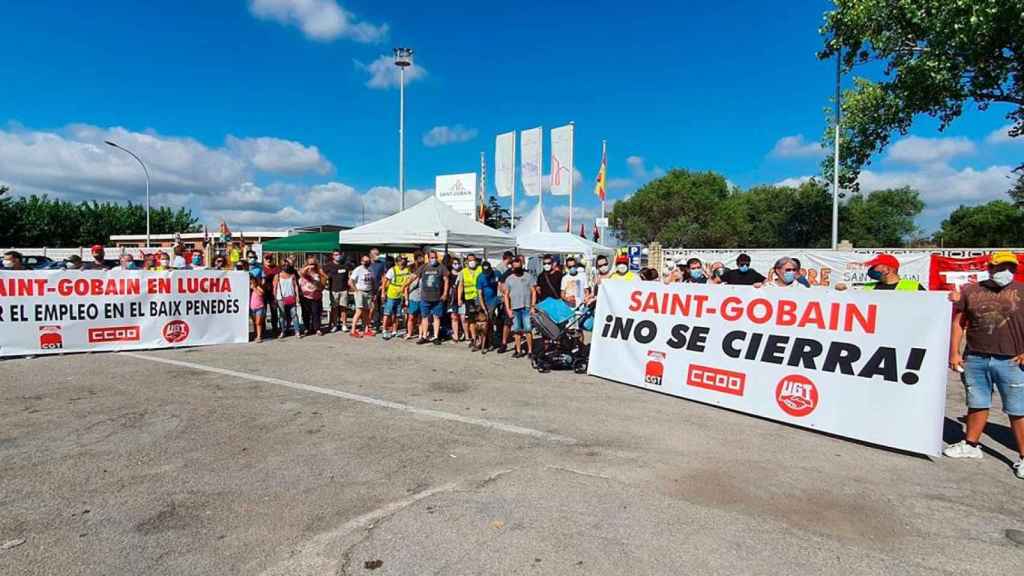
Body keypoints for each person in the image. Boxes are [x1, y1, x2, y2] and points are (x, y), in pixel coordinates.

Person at [945, 252, 1024, 479]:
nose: (1005, 272)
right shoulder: (970, 291)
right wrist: (954, 353)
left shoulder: (1022, 290)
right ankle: (971, 444)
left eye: (1011, 267)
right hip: (976, 358)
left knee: (1018, 410)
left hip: (1011, 360)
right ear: (989, 267)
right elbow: (959, 323)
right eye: (1000, 267)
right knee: (977, 403)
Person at [412, 250, 449, 345]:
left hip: (437, 297)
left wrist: (445, 293)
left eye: (435, 257)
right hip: (425, 297)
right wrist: (405, 285)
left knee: (436, 317)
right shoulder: (423, 267)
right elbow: (414, 276)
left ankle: (436, 337)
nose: (434, 259)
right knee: (425, 317)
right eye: (432, 257)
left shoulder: (441, 267)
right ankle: (424, 336)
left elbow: (446, 280)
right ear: (428, 258)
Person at [503, 256, 536, 358]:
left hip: (526, 307)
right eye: (515, 267)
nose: (517, 269)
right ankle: (518, 350)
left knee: (528, 329)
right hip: (514, 308)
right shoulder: (509, 279)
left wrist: (533, 306)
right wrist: (508, 309)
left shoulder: (528, 276)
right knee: (516, 330)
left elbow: (533, 292)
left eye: (519, 266)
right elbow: (506, 295)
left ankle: (530, 351)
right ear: (512, 268)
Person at [844, 253, 925, 291]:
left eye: (874, 266)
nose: (871, 270)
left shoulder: (914, 287)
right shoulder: (868, 287)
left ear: (887, 269)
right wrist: (843, 292)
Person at [381, 256, 412, 340]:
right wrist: (383, 293)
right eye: (401, 262)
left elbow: (408, 281)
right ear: (397, 262)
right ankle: (384, 329)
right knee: (387, 313)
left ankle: (395, 330)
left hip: (400, 294)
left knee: (397, 314)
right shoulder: (392, 270)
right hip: (391, 294)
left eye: (404, 262)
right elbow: (385, 282)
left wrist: (406, 297)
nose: (403, 263)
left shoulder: (407, 270)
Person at [475, 259, 501, 353]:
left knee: (490, 323)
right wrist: (483, 308)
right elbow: (480, 294)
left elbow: (500, 284)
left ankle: (490, 342)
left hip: (493, 300)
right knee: (480, 323)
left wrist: (499, 298)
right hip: (482, 301)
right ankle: (479, 342)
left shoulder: (496, 274)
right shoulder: (480, 277)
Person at [460, 254, 484, 349]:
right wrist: (459, 298)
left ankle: (481, 340)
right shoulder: (463, 271)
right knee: (471, 320)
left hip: (479, 298)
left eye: (473, 260)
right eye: (470, 260)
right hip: (469, 299)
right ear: (466, 262)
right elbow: (461, 285)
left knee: (480, 320)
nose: (472, 262)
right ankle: (473, 339)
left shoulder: (480, 269)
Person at [323, 249, 350, 333]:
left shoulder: (345, 265)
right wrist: (326, 279)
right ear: (332, 256)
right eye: (335, 254)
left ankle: (344, 324)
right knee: (334, 308)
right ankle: (334, 325)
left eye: (338, 254)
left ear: (341, 255)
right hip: (333, 290)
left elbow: (348, 277)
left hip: (344, 290)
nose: (337, 256)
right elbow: (321, 273)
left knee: (343, 308)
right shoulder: (328, 265)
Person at [349, 255, 376, 337]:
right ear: (361, 262)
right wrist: (356, 290)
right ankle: (353, 330)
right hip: (360, 291)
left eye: (368, 261)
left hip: (368, 292)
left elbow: (372, 281)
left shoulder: (370, 269)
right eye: (365, 261)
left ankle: (366, 329)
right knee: (359, 311)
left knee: (367, 311)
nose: (367, 262)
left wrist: (373, 292)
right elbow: (350, 281)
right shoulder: (358, 269)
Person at [274, 261, 300, 338]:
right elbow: (275, 288)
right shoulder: (277, 276)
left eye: (287, 265)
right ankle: (282, 331)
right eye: (284, 265)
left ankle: (297, 331)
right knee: (282, 316)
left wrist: (297, 296)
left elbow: (296, 286)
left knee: (294, 314)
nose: (285, 266)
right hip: (280, 298)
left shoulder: (292, 275)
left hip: (291, 297)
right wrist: (275, 298)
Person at [404, 252, 425, 341]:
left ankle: (421, 334)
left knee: (421, 318)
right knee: (411, 317)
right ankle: (409, 333)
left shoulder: (423, 277)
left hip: (422, 299)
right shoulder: (410, 277)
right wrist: (406, 299)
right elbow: (405, 288)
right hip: (412, 298)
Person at [369, 248, 388, 331]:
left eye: (378, 254)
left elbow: (384, 276)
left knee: (377, 307)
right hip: (368, 288)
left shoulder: (381, 264)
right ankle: (367, 323)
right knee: (369, 307)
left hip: (378, 288)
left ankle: (376, 324)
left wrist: (382, 287)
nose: (378, 255)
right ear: (371, 255)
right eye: (376, 254)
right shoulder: (367, 263)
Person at [447, 257, 466, 342]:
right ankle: (455, 335)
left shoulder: (462, 273)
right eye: (454, 263)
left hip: (462, 297)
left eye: (458, 263)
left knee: (463, 317)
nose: (456, 265)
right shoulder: (449, 274)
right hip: (452, 298)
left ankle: (466, 334)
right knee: (454, 317)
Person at [261, 255, 280, 335]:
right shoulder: (261, 268)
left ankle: (275, 329)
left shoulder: (275, 268)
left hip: (272, 293)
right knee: (263, 312)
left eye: (270, 258)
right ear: (264, 259)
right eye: (267, 258)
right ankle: (262, 330)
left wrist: (275, 293)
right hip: (262, 293)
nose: (268, 260)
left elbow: (275, 281)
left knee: (274, 311)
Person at [249, 274, 266, 343]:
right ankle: (256, 335)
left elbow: (261, 294)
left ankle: (259, 337)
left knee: (258, 322)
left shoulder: (258, 287)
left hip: (259, 307)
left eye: (253, 281)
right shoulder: (249, 289)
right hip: (252, 308)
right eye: (251, 282)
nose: (252, 283)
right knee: (254, 322)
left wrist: (254, 288)